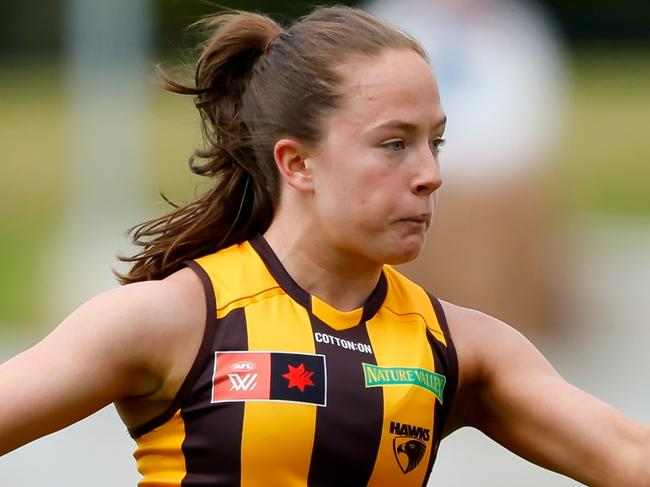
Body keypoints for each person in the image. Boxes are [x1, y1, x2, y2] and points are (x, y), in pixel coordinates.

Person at [0, 5, 648, 486]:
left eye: (436, 141)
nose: (431, 172)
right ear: (298, 164)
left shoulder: (464, 349)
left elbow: (628, 454)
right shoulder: (175, 320)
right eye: (394, 143)